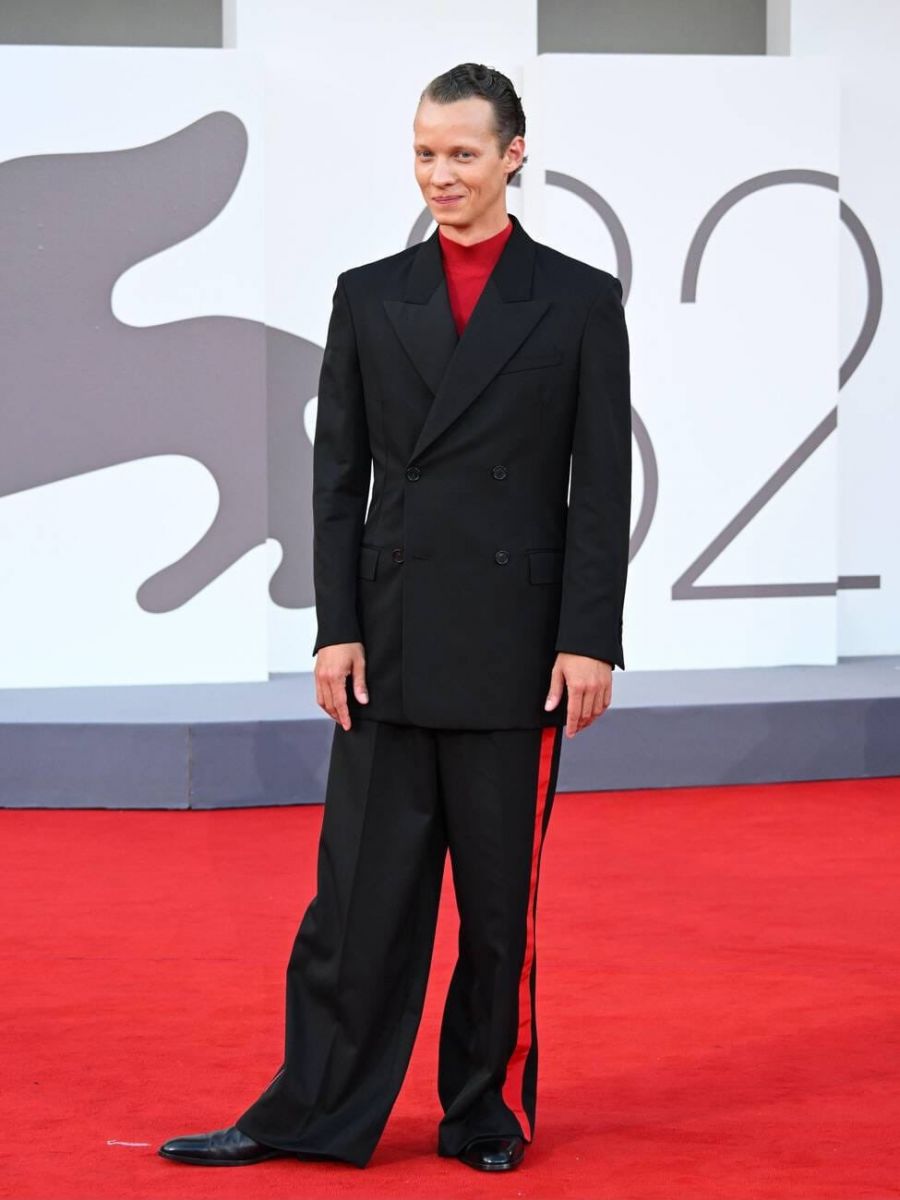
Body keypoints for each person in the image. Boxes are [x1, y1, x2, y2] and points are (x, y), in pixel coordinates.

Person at [158, 60, 631, 1174]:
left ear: (514, 155)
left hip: (518, 650)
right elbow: (338, 476)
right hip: (391, 641)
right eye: (425, 152)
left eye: (463, 152)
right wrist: (336, 627)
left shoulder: (577, 300)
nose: (441, 174)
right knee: (355, 904)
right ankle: (310, 1111)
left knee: (498, 913)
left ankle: (485, 1114)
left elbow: (600, 483)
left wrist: (589, 637)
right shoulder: (369, 295)